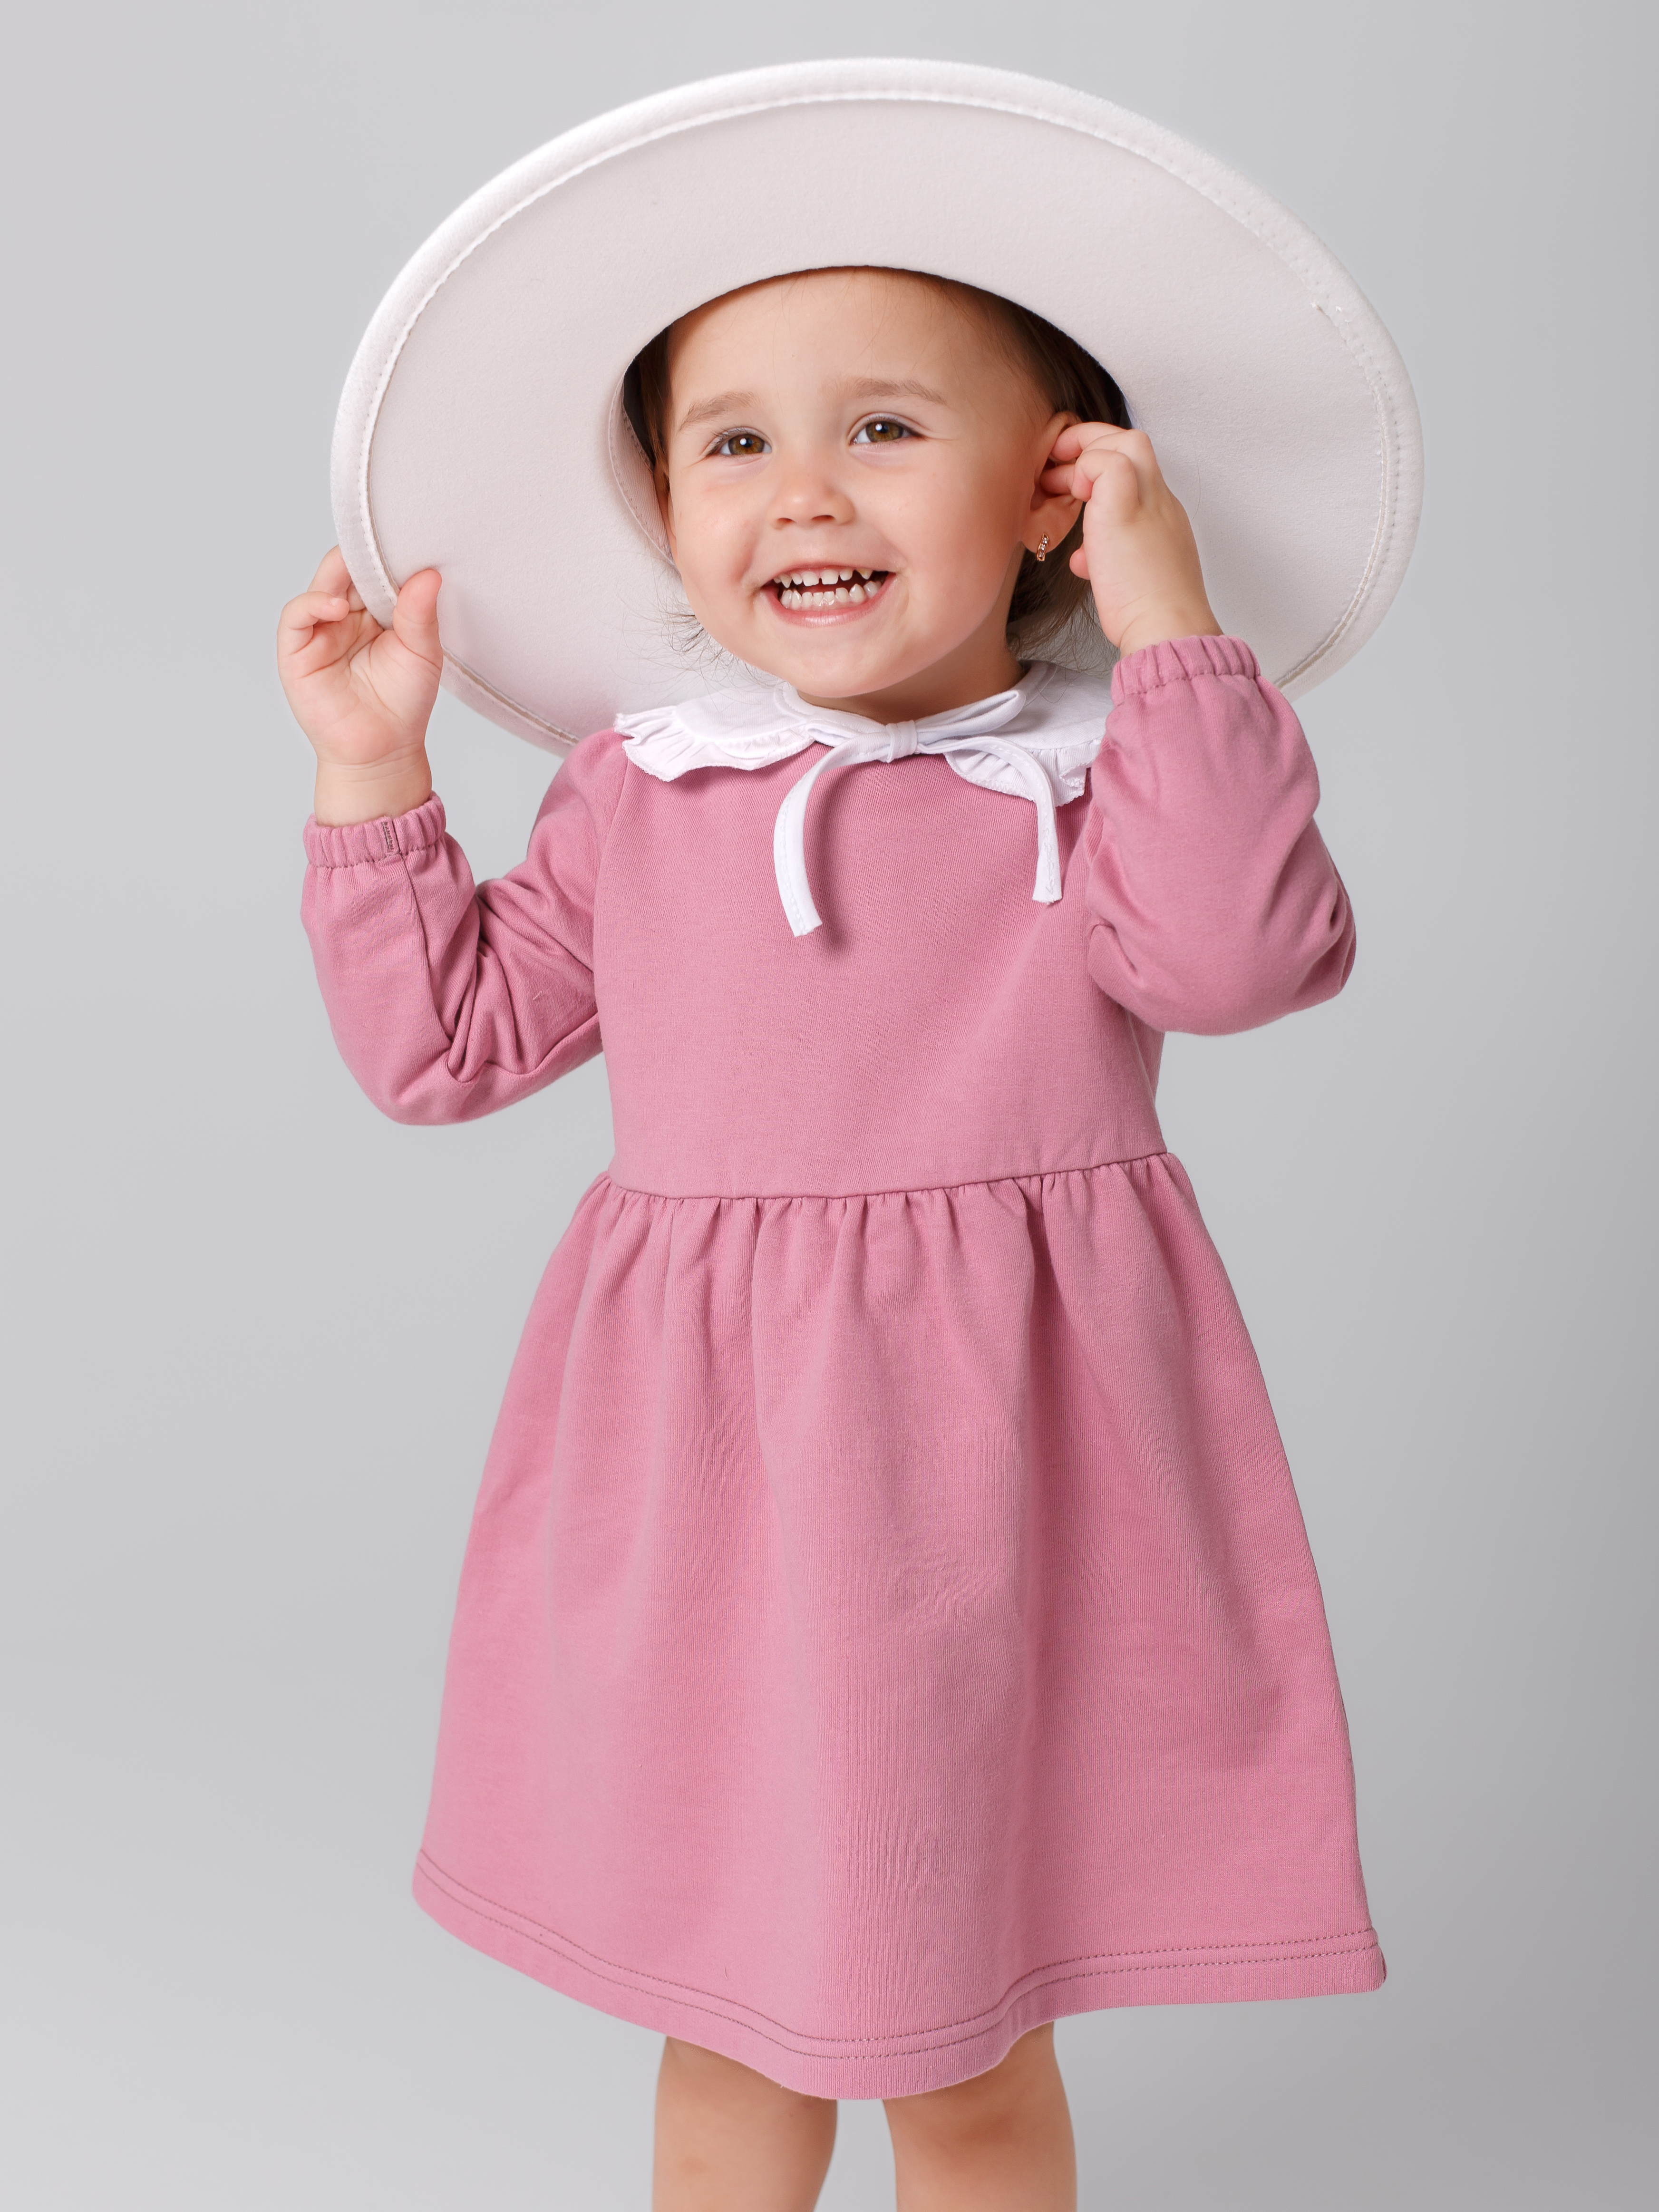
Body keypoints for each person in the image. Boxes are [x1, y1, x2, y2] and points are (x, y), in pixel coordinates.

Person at [279, 63, 1418, 2212]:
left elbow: (1242, 956)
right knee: (726, 2020)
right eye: (735, 444)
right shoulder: (651, 788)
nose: (803, 491)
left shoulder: (1104, 775)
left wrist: (1170, 625)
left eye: (883, 427)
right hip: (713, 1482)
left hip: (1008, 1477)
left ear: (1055, 485)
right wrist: (372, 773)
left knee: (968, 2036)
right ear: (664, 511)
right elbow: (442, 1047)